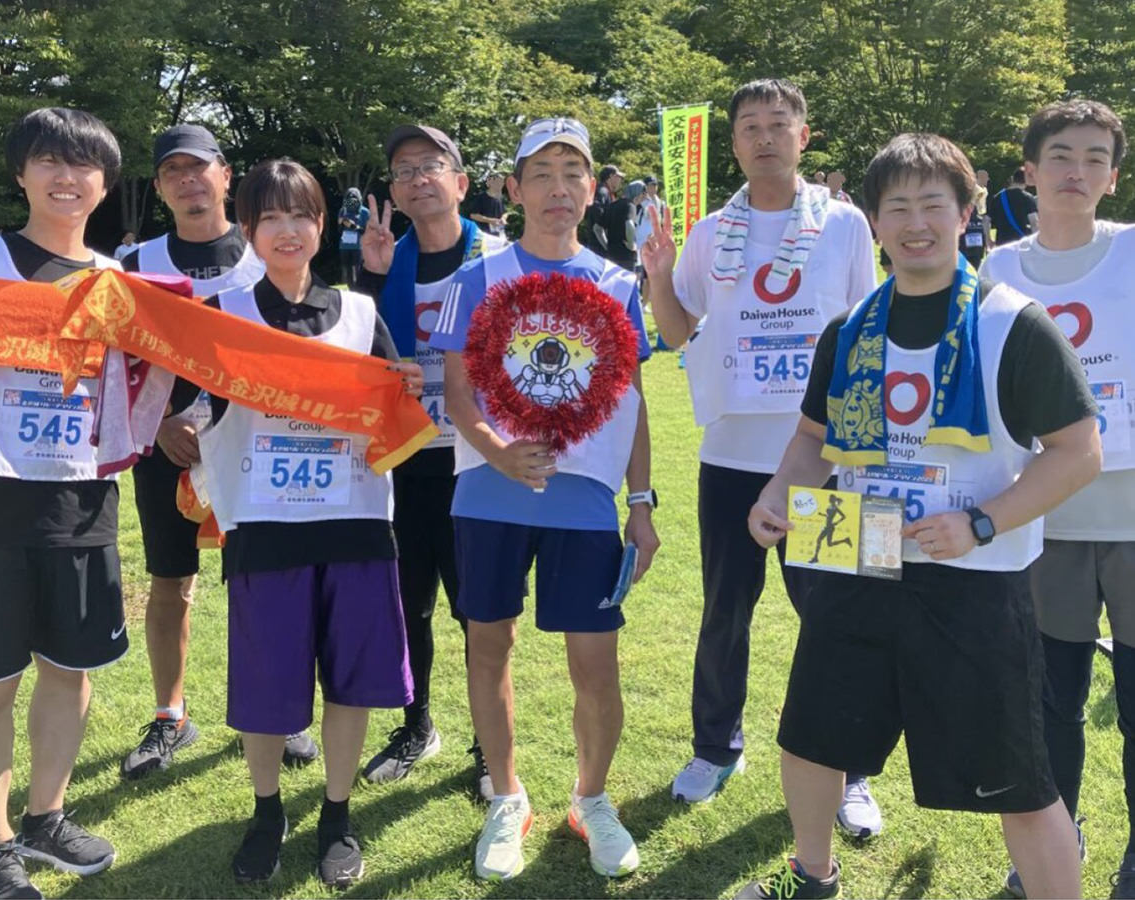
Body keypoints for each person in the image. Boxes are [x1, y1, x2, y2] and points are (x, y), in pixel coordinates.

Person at [740, 132, 1099, 900]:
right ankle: (811, 878)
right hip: (858, 557)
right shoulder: (850, 329)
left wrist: (982, 522)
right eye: (896, 207)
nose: (915, 223)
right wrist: (775, 494)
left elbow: (1078, 453)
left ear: (966, 214)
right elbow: (811, 441)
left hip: (976, 578)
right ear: (873, 221)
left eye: (932, 204)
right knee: (810, 738)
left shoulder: (1013, 323)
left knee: (1020, 780)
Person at [643, 78, 884, 837]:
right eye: (749, 126)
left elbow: (869, 333)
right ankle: (716, 746)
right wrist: (659, 274)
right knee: (725, 610)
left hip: (827, 456)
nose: (764, 137)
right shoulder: (711, 231)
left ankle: (851, 770)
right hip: (731, 455)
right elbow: (677, 332)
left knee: (838, 613)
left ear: (803, 137)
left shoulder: (845, 224)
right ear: (734, 143)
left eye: (779, 124)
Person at [172, 158, 423, 887]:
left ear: (321, 225)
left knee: (352, 681)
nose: (288, 231)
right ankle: (267, 811)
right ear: (249, 229)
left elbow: (399, 414)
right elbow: (182, 407)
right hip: (265, 530)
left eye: (302, 215)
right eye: (271, 218)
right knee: (267, 686)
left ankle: (336, 815)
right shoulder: (224, 316)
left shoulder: (361, 315)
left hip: (354, 526)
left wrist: (404, 388)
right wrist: (176, 427)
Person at [430, 116, 659, 881]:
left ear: (592, 190)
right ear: (515, 188)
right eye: (542, 174)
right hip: (488, 498)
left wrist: (642, 503)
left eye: (573, 174)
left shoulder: (618, 286)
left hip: (584, 506)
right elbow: (456, 392)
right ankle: (506, 796)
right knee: (488, 645)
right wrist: (498, 450)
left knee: (595, 664)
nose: (559, 188)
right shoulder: (478, 278)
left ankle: (591, 800)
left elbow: (632, 404)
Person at [119, 124, 318, 780]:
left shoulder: (266, 256)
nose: (187, 180)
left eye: (198, 167)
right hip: (166, 448)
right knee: (170, 581)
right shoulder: (136, 264)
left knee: (264, 582)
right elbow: (119, 368)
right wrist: (159, 425)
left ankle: (279, 710)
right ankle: (170, 715)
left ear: (225, 176)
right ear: (159, 187)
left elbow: (296, 357)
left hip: (254, 448)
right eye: (172, 171)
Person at [981, 99, 1135, 898]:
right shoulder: (998, 271)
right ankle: (1054, 844)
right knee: (1051, 703)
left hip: (1133, 521)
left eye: (1095, 158)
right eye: (1062, 156)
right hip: (1043, 524)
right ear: (1030, 172)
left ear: (1113, 176)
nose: (1078, 171)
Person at [0, 107, 126, 900]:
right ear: (21, 174)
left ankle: (45, 816)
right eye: (49, 160)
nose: (66, 177)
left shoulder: (119, 285)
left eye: (83, 165)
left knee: (69, 669)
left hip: (82, 501)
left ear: (104, 184)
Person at [354, 124, 506, 798]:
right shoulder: (386, 260)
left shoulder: (498, 259)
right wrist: (369, 275)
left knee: (478, 612)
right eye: (404, 170)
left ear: (461, 182)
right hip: (409, 459)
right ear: (394, 190)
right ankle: (417, 726)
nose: (418, 178)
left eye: (431, 165)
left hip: (479, 461)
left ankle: (489, 745)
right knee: (409, 604)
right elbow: (356, 351)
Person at [989, 167, 1039, 245]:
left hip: (1002, 243)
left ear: (1013, 179)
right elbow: (1034, 222)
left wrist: (988, 239)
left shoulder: (998, 197)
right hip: (1021, 243)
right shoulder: (1027, 198)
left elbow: (986, 220)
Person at [604, 179, 643, 271]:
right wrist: (631, 244)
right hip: (626, 256)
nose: (643, 198)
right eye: (642, 194)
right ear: (637, 193)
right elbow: (629, 224)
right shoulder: (630, 205)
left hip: (611, 254)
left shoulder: (613, 205)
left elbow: (597, 228)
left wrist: (606, 245)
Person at [586, 163, 623, 256]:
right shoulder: (602, 192)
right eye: (618, 177)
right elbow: (597, 213)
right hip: (599, 246)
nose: (620, 180)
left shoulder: (606, 192)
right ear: (611, 176)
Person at [337, 187, 369, 288]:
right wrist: (343, 222)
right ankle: (350, 289)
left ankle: (358, 288)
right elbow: (339, 229)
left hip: (358, 246)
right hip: (345, 246)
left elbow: (368, 230)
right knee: (347, 270)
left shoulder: (364, 212)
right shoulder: (343, 211)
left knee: (357, 269)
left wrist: (353, 226)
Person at [469, 171, 508, 237]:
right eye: (498, 182)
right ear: (490, 183)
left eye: (502, 182)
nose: (501, 184)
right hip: (483, 235)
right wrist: (490, 221)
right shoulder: (481, 197)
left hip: (499, 235)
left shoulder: (501, 197)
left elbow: (505, 212)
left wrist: (503, 218)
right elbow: (473, 215)